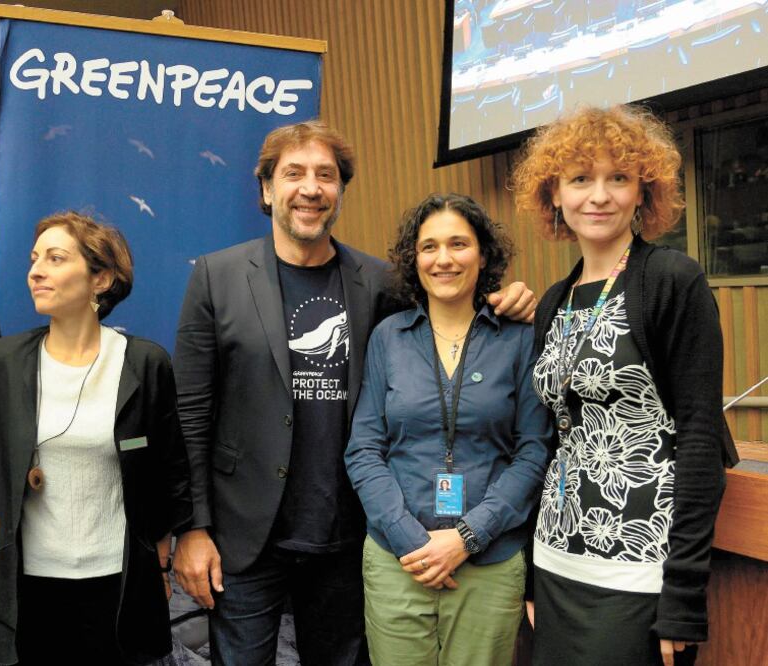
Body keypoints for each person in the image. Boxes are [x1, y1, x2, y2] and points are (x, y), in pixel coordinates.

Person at [171, 120, 537, 665]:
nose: (311, 188)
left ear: (340, 191)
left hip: (345, 532)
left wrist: (503, 298)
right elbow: (192, 412)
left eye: (326, 175)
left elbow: (443, 318)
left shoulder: (380, 281)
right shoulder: (216, 277)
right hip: (244, 535)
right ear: (267, 189)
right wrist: (192, 528)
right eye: (293, 173)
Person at [511, 105, 727, 666]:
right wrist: (533, 576)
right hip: (557, 558)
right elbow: (559, 439)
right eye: (580, 179)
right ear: (554, 195)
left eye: (618, 178)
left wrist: (682, 594)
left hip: (641, 566)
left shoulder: (671, 280)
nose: (599, 195)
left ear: (642, 192)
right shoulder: (555, 300)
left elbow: (701, 439)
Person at [0, 212, 192, 665]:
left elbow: (168, 478)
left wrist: (160, 568)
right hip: (27, 585)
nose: (36, 270)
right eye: (34, 259)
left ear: (101, 279)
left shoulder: (144, 364)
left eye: (55, 258)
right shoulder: (4, 361)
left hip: (118, 582)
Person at [344, 193, 551, 665]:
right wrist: (410, 539)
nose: (443, 259)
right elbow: (364, 450)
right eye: (429, 247)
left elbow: (533, 451)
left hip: (490, 561)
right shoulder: (388, 338)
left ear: (483, 254)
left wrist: (466, 537)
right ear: (413, 259)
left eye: (458, 244)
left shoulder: (519, 339)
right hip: (400, 561)